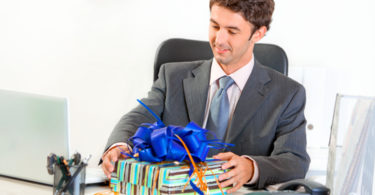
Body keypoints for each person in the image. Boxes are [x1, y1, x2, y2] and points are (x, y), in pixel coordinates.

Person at [101, 0, 310, 192]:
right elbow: (138, 117)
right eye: (215, 26)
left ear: (258, 34)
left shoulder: (288, 94)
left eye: (232, 31)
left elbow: (294, 159)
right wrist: (119, 145)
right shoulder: (172, 76)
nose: (219, 40)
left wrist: (251, 167)